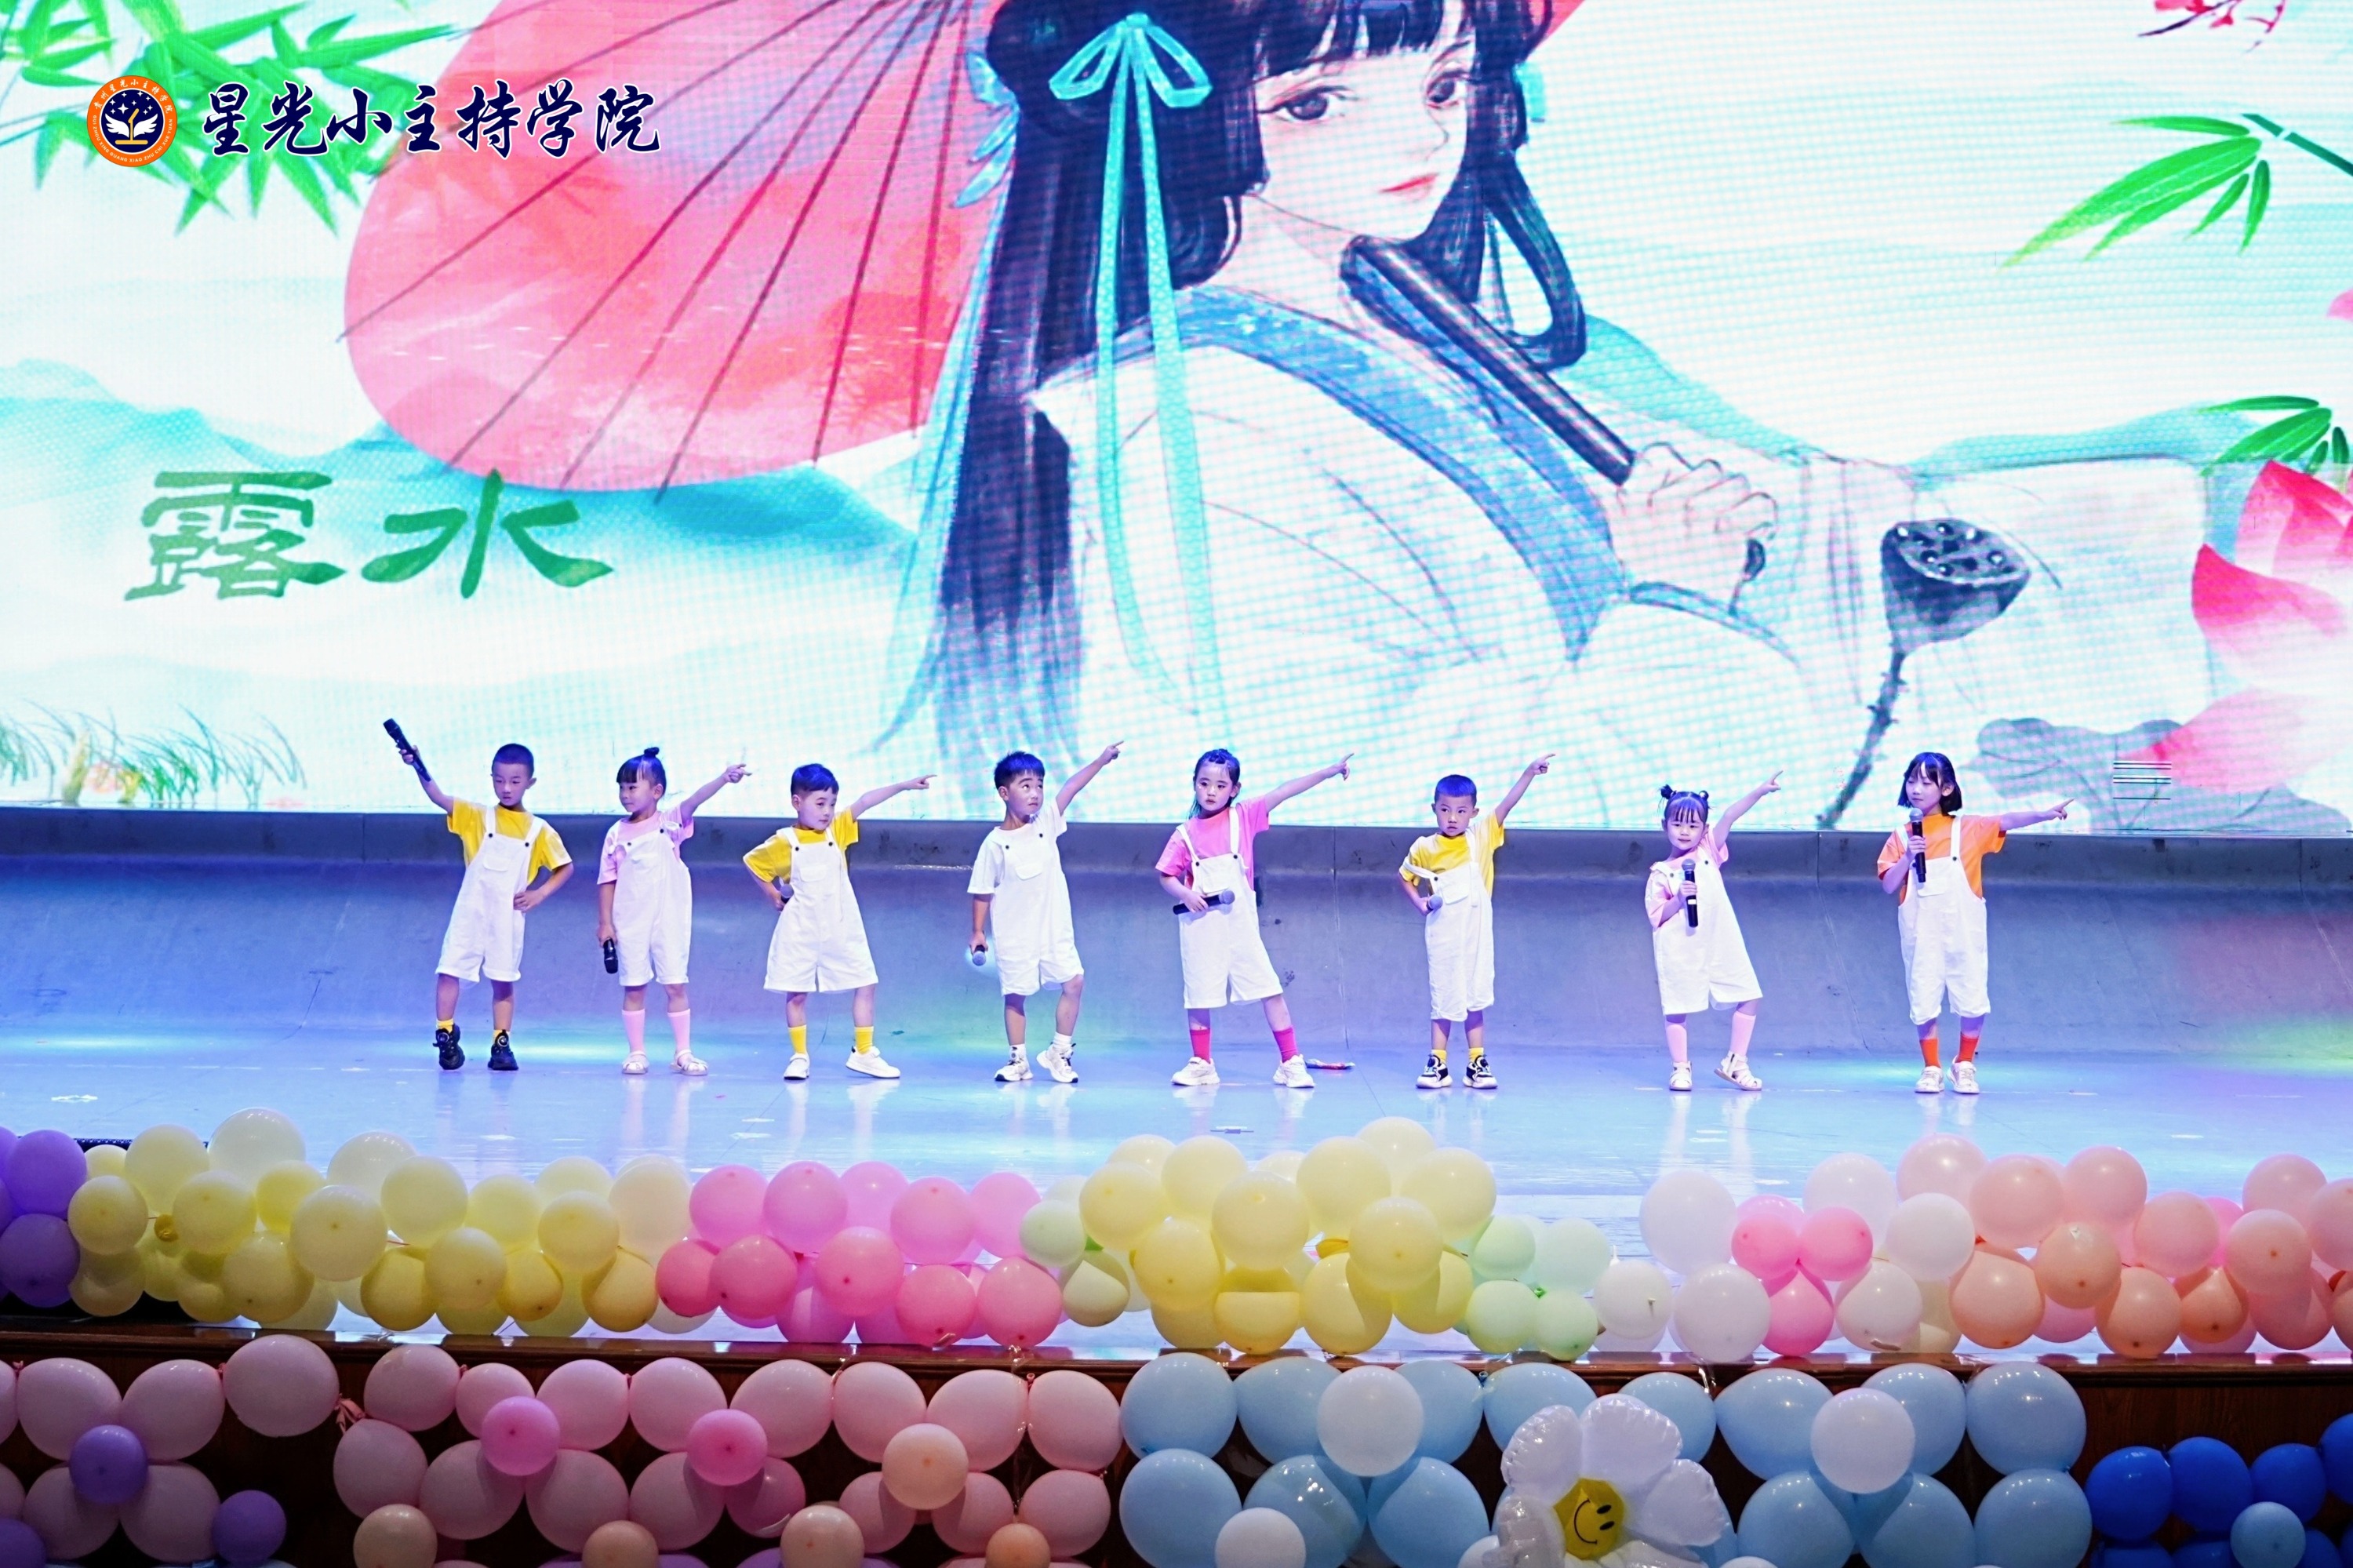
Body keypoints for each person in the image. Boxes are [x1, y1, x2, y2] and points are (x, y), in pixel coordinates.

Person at [894, 0, 2210, 831]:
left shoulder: (1403, 313)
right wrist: (1676, 603)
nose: (1418, 141)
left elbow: (1735, 511)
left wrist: (1819, 519)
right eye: (1316, 102)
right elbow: (1381, 792)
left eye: (1443, 82)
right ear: (1180, 124)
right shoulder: (1182, 441)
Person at [1878, 752, 2071, 1095]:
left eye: (1926, 782)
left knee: (1972, 996)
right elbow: (1889, 884)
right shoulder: (1901, 836)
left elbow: (2006, 820)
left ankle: (1964, 1063)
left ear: (1947, 788)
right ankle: (1931, 1067)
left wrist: (2044, 814)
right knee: (1924, 997)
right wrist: (1909, 856)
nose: (1916, 789)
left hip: (1963, 930)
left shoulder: (1967, 828)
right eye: (1912, 781)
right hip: (1922, 933)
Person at [1158, 748, 1351, 1089]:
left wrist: (1329, 771)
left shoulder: (1244, 817)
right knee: (1199, 995)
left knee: (1268, 988)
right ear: (1194, 784)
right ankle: (1202, 1063)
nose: (1211, 791)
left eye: (1221, 785)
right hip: (1201, 927)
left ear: (1234, 789)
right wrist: (1186, 894)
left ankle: (1290, 1061)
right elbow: (1166, 876)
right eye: (1204, 783)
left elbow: (1285, 790)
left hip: (1240, 927)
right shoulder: (1184, 833)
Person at [391, 737, 572, 1073]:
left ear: (530, 782)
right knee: (449, 970)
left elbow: (565, 867)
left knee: (503, 980)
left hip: (507, 917)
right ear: (491, 778)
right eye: (499, 780)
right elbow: (438, 796)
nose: (507, 788)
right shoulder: (477, 816)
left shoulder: (539, 831)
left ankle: (501, 1043)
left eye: (515, 781)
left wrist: (539, 894)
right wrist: (417, 765)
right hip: (470, 912)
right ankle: (445, 1034)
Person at [744, 765, 934, 1080]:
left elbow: (865, 801)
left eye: (831, 804)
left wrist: (903, 785)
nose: (827, 811)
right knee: (797, 992)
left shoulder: (838, 830)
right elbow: (753, 863)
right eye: (820, 803)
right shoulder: (784, 842)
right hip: (801, 930)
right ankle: (800, 1056)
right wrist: (773, 895)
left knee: (866, 982)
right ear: (796, 802)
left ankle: (864, 1053)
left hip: (841, 926)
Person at [969, 742, 1123, 1085]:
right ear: (1004, 793)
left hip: (1054, 929)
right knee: (1015, 995)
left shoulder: (1046, 823)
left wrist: (1101, 759)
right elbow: (982, 891)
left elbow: (1072, 786)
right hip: (1015, 933)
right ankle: (1018, 1060)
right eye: (1026, 786)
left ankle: (1059, 1051)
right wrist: (977, 931)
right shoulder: (994, 844)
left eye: (1039, 785)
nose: (1035, 793)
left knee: (1074, 981)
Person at [1398, 755, 1552, 1090]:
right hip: (1443, 934)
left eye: (1461, 811)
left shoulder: (1481, 836)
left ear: (1473, 812)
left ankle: (1476, 1063)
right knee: (1444, 997)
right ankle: (1438, 1063)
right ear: (1434, 809)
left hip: (1477, 934)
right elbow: (1405, 877)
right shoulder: (1424, 847)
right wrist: (1420, 903)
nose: (1452, 818)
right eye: (1445, 810)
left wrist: (1529, 773)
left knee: (1475, 997)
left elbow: (1507, 805)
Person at [595, 748, 751, 1077]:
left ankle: (683, 1052)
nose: (625, 794)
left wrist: (724, 779)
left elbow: (695, 800)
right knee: (634, 986)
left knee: (675, 984)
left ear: (657, 791)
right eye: (622, 788)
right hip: (630, 921)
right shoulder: (616, 834)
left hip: (669, 919)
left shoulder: (669, 823)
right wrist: (605, 923)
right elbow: (607, 881)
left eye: (632, 787)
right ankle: (636, 1052)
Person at [1646, 774, 1780, 1093]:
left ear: (1704, 829)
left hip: (1720, 941)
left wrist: (1760, 791)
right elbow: (1657, 916)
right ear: (1665, 825)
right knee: (1677, 1008)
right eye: (1678, 824)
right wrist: (1678, 900)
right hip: (1681, 947)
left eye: (1693, 825)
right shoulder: (1660, 873)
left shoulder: (1709, 850)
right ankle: (1681, 1068)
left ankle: (1737, 1062)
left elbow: (1730, 815)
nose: (1685, 831)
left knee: (1749, 995)